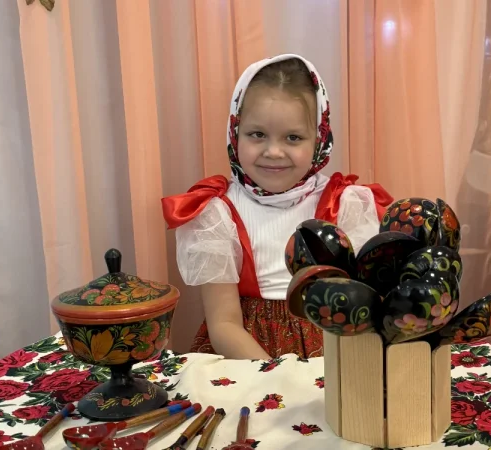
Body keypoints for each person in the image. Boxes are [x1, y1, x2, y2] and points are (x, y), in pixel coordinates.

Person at [162, 54, 392, 360]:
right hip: (245, 355)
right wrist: (276, 376)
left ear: (319, 140)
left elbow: (364, 310)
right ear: (235, 132)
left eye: (293, 137)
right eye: (257, 135)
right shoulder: (217, 212)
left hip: (334, 353)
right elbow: (224, 324)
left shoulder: (346, 203)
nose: (273, 151)